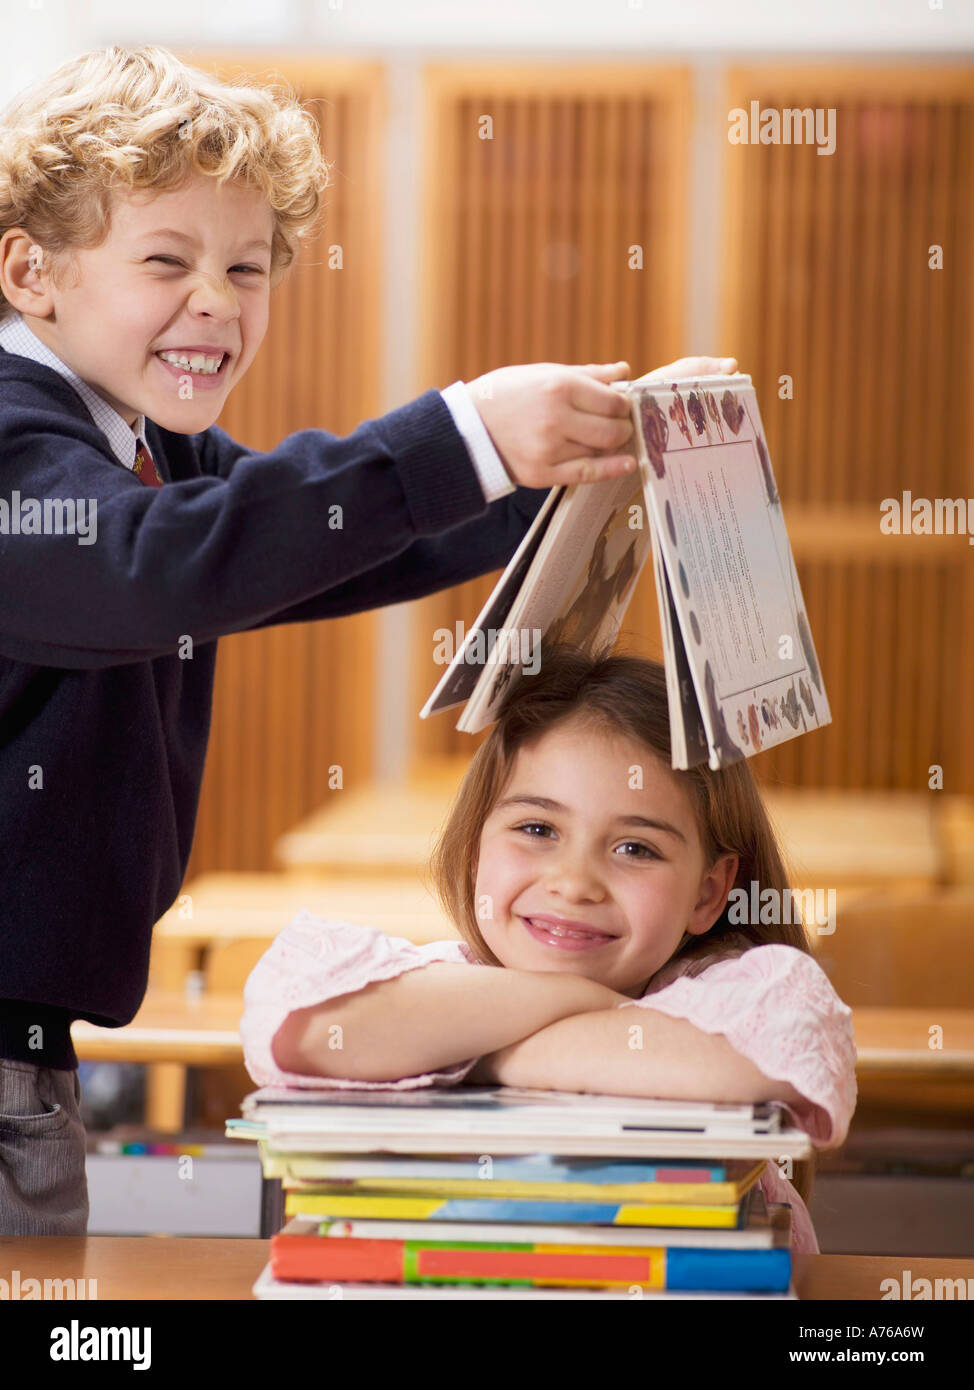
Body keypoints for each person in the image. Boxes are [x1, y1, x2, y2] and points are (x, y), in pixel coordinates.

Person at [0, 38, 739, 1235]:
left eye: (247, 269)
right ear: (31, 272)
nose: (217, 303)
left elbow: (319, 545)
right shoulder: (17, 445)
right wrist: (463, 434)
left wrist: (550, 481)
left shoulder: (144, 443)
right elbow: (165, 562)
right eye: (166, 260)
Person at [242, 644, 858, 1255]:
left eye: (636, 848)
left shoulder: (729, 992)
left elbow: (780, 1053)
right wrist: (576, 999)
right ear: (478, 843)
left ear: (708, 891)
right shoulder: (447, 978)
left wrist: (483, 1049)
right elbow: (298, 1027)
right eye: (537, 830)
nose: (574, 883)